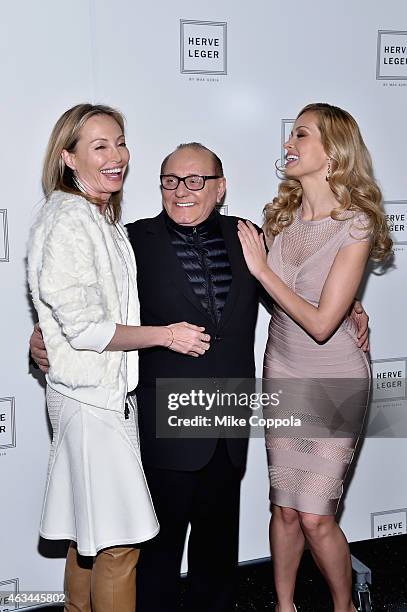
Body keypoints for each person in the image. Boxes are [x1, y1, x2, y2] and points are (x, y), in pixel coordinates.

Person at [30, 140, 370, 612]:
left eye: (195, 181)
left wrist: (352, 304)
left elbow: (299, 284)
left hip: (228, 418)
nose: (181, 191)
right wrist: (42, 335)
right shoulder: (133, 241)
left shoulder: (250, 235)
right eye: (170, 181)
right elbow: (83, 302)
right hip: (165, 417)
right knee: (156, 552)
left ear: (220, 187)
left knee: (217, 554)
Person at [27, 105, 211, 612]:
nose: (117, 157)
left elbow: (71, 311)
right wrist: (166, 336)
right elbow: (85, 327)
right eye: (99, 147)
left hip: (94, 397)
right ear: (68, 158)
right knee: (118, 545)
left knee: (87, 536)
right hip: (92, 403)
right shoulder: (70, 219)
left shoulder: (95, 216)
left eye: (120, 142)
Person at [237, 103, 392, 612]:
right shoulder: (280, 218)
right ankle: (285, 607)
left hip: (334, 378)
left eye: (300, 135)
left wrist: (263, 271)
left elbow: (324, 323)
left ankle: (343, 607)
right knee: (284, 508)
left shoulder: (356, 224)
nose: (288, 145)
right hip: (282, 367)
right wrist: (354, 302)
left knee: (316, 516)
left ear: (332, 151)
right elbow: (310, 291)